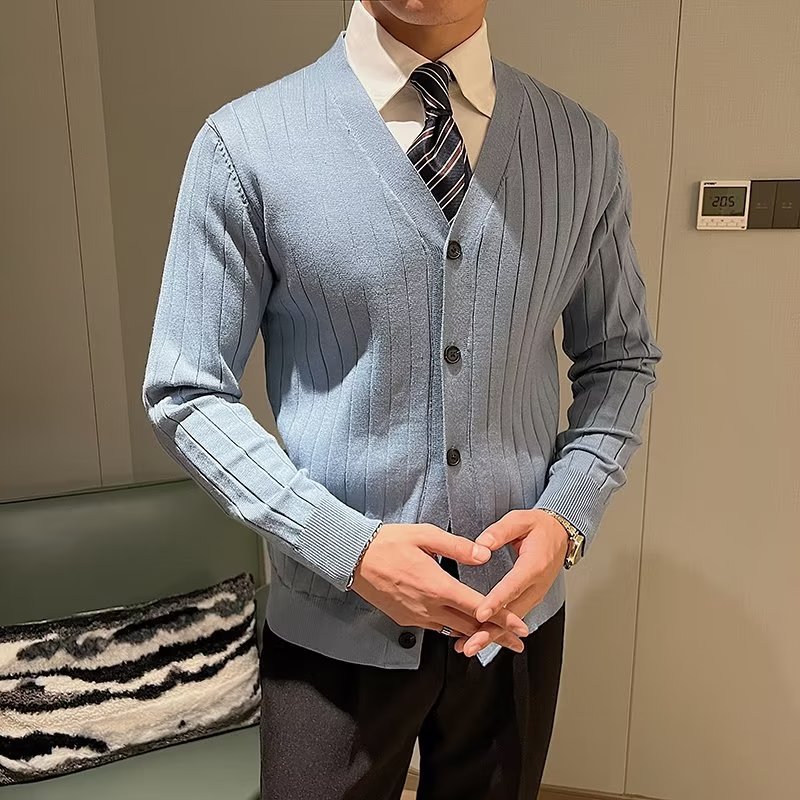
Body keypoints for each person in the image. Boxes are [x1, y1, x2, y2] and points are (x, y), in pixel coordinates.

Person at [141, 1, 663, 797]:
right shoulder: (246, 145)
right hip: (330, 632)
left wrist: (568, 516)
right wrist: (344, 548)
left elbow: (620, 357)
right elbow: (186, 389)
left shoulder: (580, 147)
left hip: (512, 627)